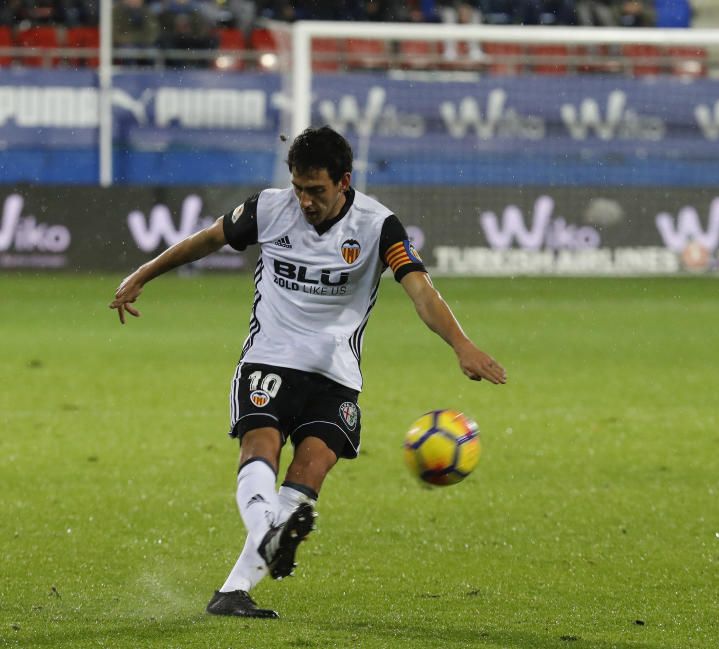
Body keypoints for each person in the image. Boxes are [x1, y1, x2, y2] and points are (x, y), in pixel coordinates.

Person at [109, 126, 507, 618]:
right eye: (298, 187)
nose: (305, 201)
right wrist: (141, 274)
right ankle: (265, 539)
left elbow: (421, 290)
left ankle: (232, 591)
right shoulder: (268, 208)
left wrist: (461, 344)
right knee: (261, 447)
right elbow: (204, 241)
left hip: (335, 372)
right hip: (269, 357)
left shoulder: (378, 226)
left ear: (344, 181)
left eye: (316, 191)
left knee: (311, 470)